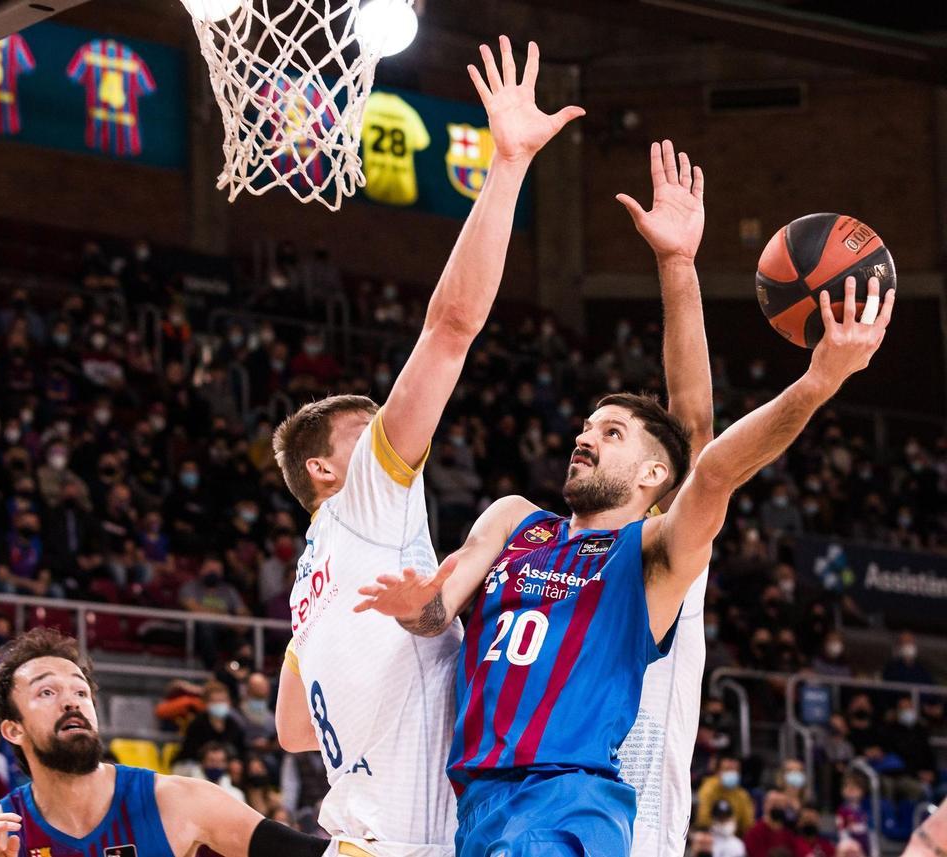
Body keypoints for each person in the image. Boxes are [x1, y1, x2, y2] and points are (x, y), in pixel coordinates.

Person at [358, 256, 894, 857]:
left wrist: (819, 380)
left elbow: (708, 457)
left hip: (569, 800)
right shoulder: (515, 519)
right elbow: (437, 611)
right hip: (480, 805)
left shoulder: (654, 553)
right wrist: (415, 607)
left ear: (654, 474)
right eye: (587, 427)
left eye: (612, 433)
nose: (585, 436)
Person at [273, 37, 584, 857]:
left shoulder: (309, 588)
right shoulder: (366, 499)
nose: (394, 436)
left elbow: (293, 728)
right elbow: (450, 329)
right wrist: (508, 164)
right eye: (368, 432)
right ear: (325, 468)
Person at [0, 628, 331, 857]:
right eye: (47, 692)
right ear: (12, 730)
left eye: (81, 692)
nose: (72, 701)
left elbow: (303, 854)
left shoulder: (175, 801)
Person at [610, 138, 716, 857]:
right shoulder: (545, 548)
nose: (588, 440)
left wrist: (677, 266)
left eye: (614, 431)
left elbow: (695, 425)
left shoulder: (666, 547)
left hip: (636, 833)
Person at [743, 790, 798, 857]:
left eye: (781, 804)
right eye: (774, 803)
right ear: (765, 805)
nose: (777, 807)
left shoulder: (789, 834)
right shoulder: (754, 833)